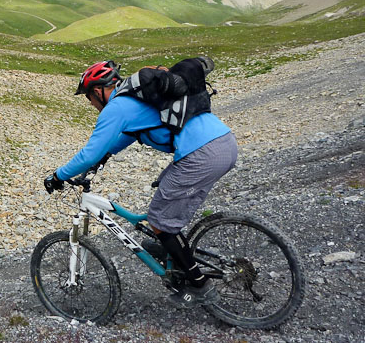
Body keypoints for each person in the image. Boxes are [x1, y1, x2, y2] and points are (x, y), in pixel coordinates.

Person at [44, 60, 238, 308]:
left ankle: (199, 286)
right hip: (222, 142)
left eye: (89, 98)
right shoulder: (134, 97)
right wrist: (103, 160)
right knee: (166, 199)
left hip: (202, 154)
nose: (91, 104)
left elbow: (89, 153)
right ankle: (170, 249)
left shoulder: (116, 107)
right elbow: (127, 135)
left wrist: (58, 176)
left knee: (159, 220)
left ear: (98, 91)